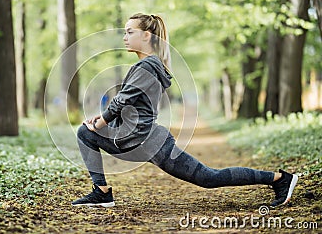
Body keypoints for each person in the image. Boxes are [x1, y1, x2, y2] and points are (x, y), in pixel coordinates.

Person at [72, 13, 298, 208]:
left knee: (209, 177)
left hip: (147, 141)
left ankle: (279, 179)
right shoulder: (148, 65)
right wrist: (104, 122)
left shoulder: (147, 65)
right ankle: (101, 193)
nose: (124, 36)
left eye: (130, 32)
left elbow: (122, 99)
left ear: (146, 36)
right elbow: (132, 104)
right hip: (136, 137)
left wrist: (102, 122)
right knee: (85, 133)